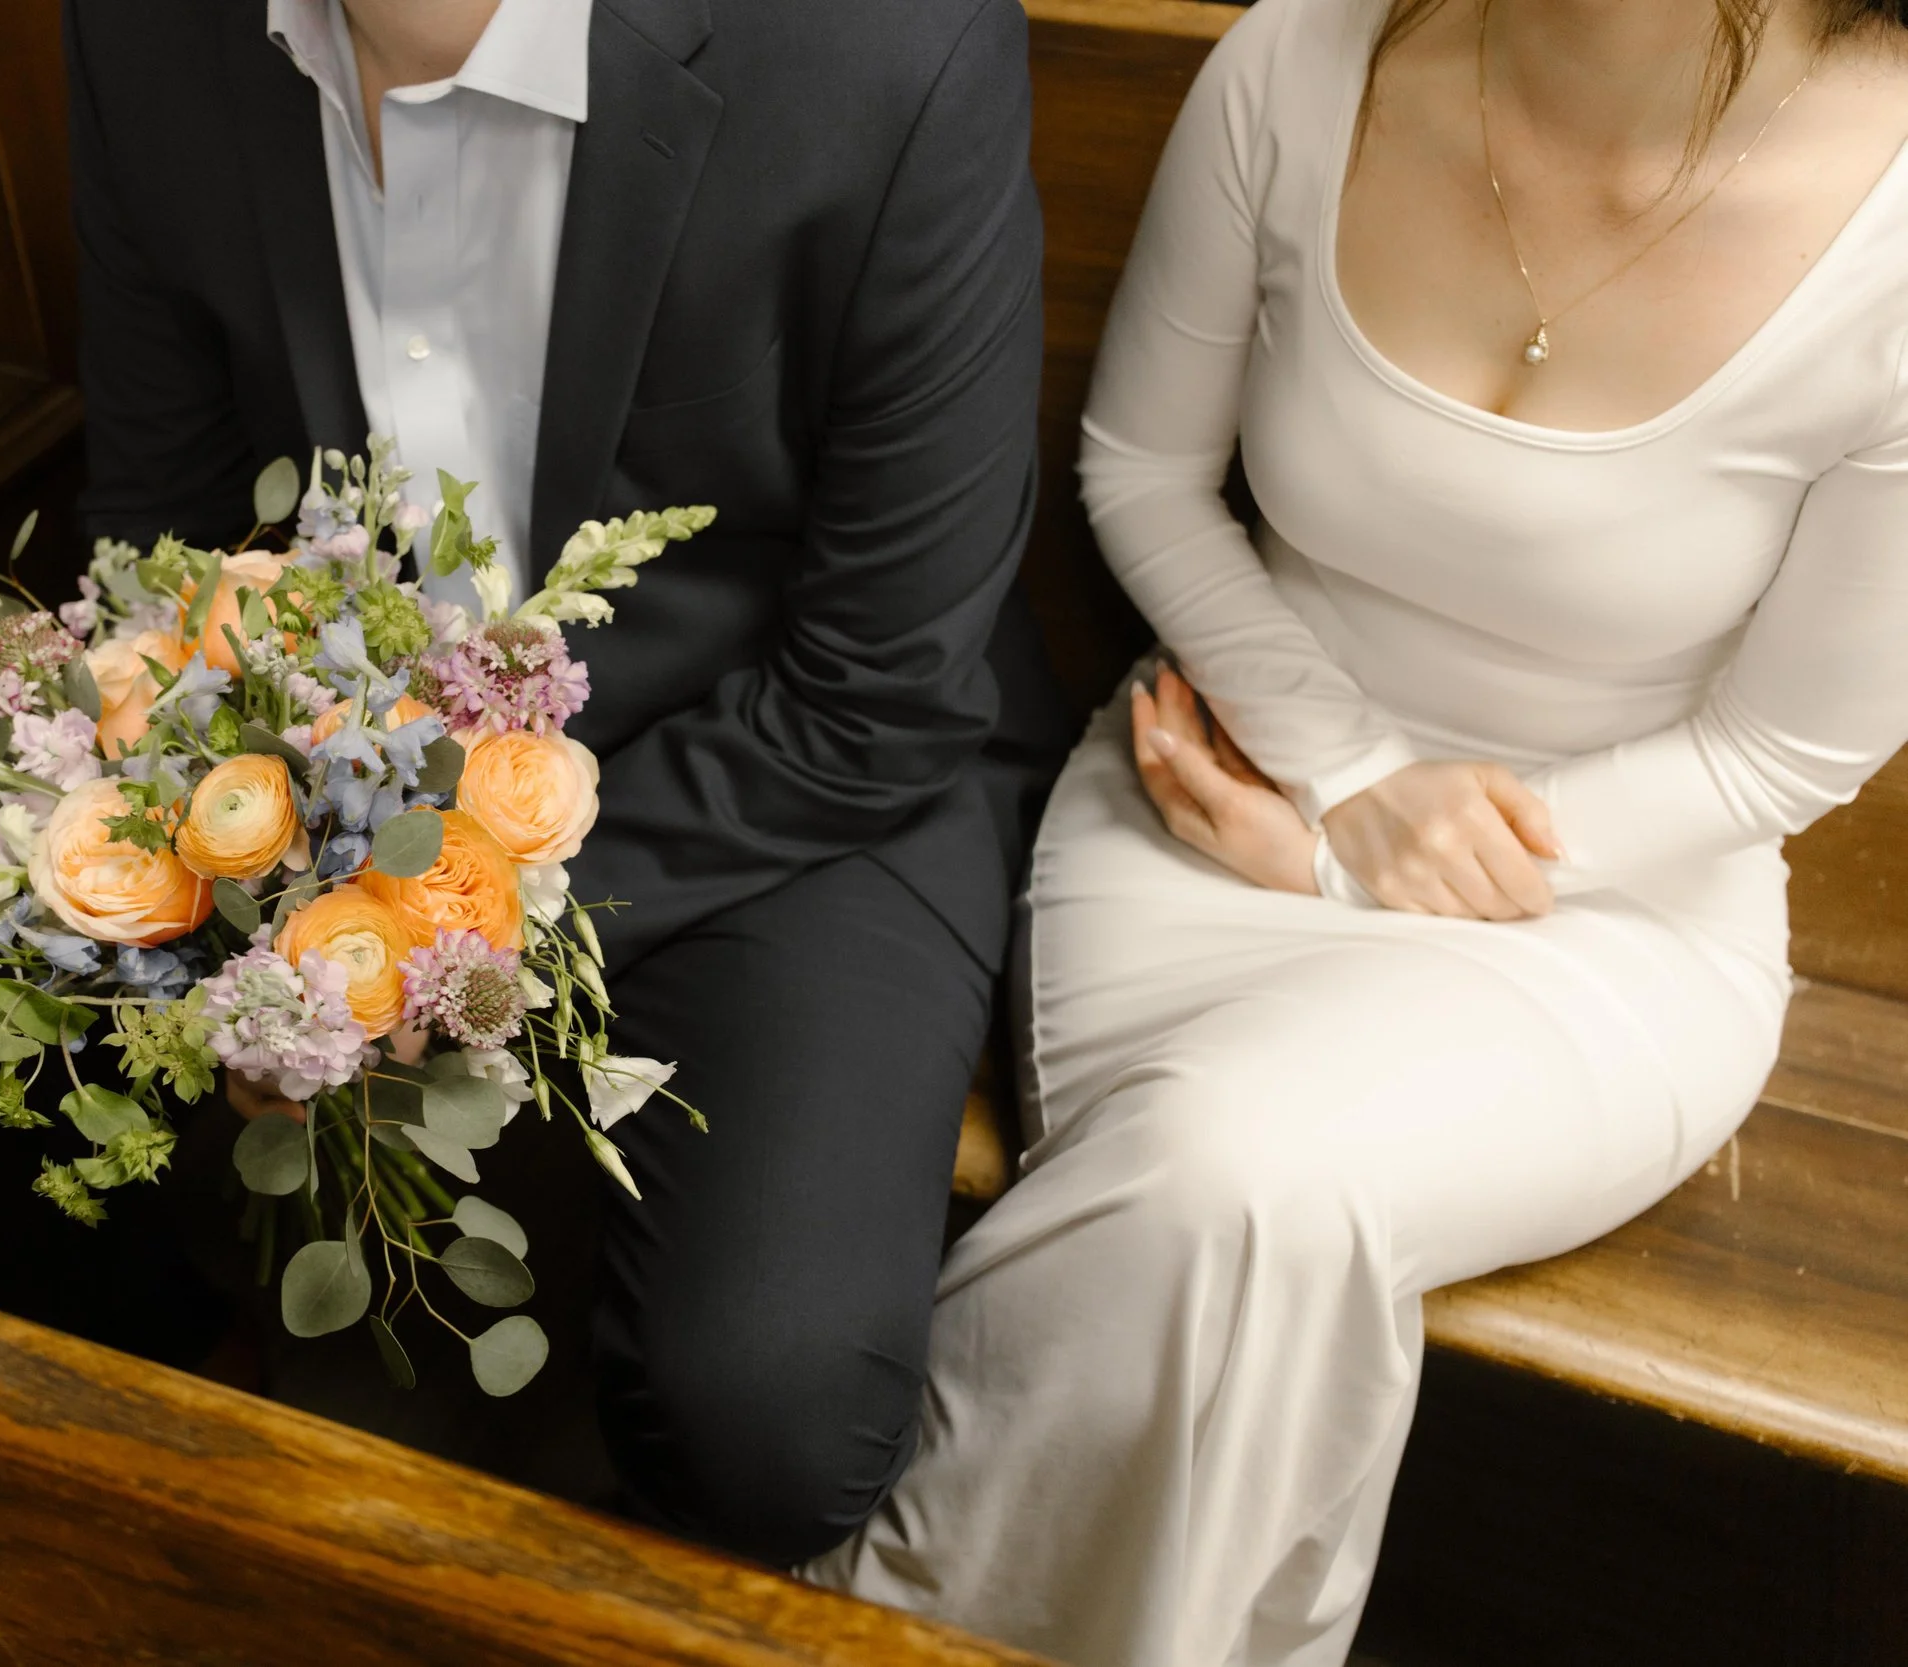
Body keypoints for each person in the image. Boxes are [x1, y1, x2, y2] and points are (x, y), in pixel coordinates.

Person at [0, 0, 1067, 1566]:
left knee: (772, 1414)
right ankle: (152, 1365)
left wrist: (411, 949)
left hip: (767, 771)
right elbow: (167, 514)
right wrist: (227, 813)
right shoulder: (152, 34)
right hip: (324, 746)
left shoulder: (884, 46)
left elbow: (877, 686)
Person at [810, 0, 1908, 1656]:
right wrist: (1340, 784)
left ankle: (840, 1626)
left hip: (1610, 915)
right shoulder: (1303, 60)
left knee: (1243, 1176)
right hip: (1220, 783)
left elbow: (1778, 753)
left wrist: (1361, 862)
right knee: (1233, 1218)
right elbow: (1142, 474)